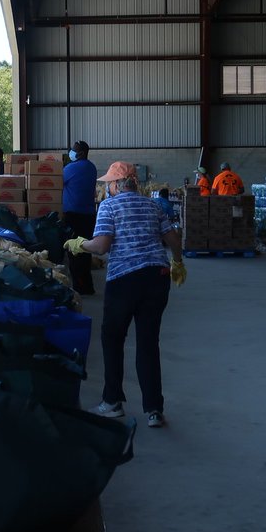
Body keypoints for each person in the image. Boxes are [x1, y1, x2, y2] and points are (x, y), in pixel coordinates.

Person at [64, 162, 185, 429]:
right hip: (157, 278)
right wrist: (177, 262)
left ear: (117, 185)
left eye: (109, 183)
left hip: (125, 280)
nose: (107, 187)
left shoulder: (109, 206)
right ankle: (154, 410)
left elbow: (102, 246)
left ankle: (112, 402)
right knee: (148, 342)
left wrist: (80, 244)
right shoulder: (153, 205)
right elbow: (174, 240)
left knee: (113, 338)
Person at [62, 140, 98, 296]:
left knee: (75, 251)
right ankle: (87, 286)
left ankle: (80, 287)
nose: (71, 152)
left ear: (81, 153)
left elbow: (56, 181)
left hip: (74, 215)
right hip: (88, 215)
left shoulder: (71, 168)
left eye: (74, 150)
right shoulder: (91, 167)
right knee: (86, 250)